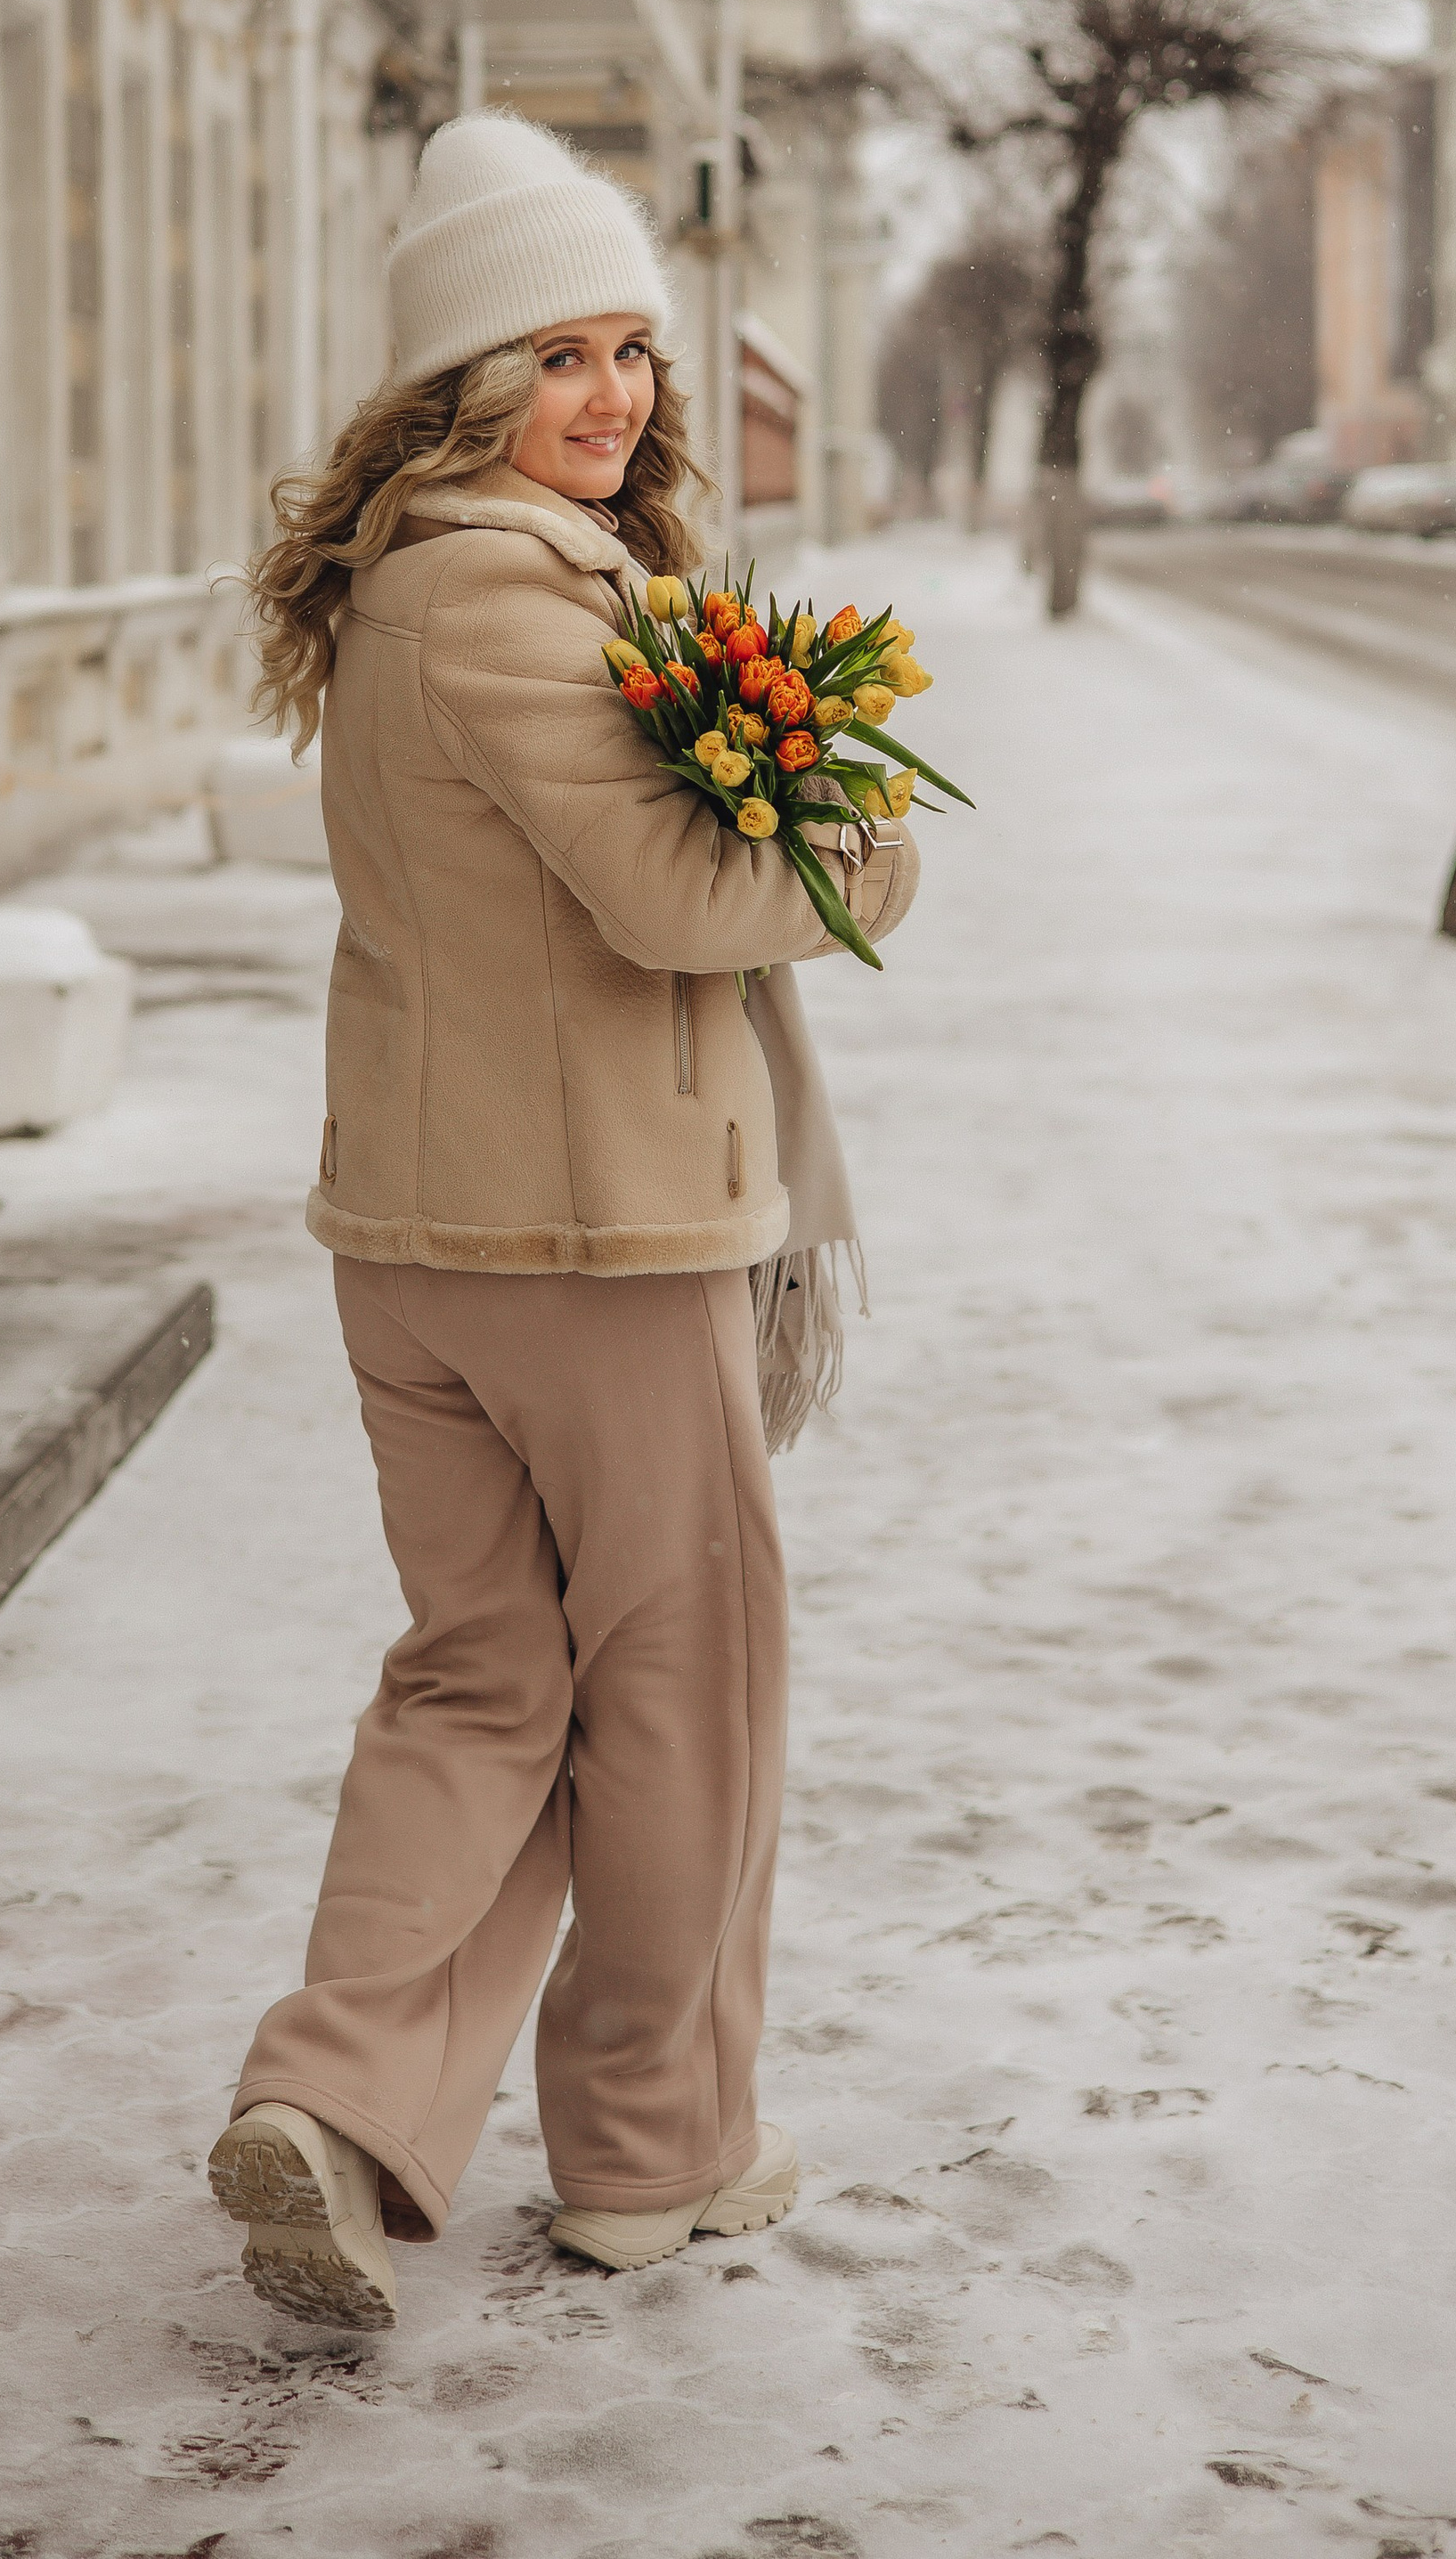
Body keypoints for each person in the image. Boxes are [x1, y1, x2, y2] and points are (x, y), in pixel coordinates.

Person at [207, 115, 917, 2328]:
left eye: (631, 350)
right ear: (457, 386)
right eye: (555, 355)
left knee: (483, 1678)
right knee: (683, 1687)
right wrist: (864, 838)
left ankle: (330, 2113)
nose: (609, 396)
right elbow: (674, 886)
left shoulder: (409, 585)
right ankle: (649, 2152)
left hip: (420, 1248)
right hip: (588, 1254)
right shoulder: (501, 584)